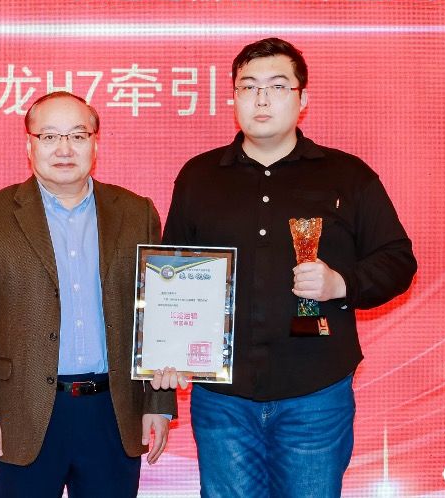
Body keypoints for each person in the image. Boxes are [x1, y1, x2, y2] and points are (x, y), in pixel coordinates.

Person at [154, 37, 417, 497]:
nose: (261, 99)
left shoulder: (347, 176)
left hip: (315, 391)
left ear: (302, 98)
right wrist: (170, 351)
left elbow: (398, 260)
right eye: (248, 87)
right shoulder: (199, 177)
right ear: (234, 97)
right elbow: (173, 274)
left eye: (277, 86)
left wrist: (341, 283)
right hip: (223, 398)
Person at [0, 91, 177, 497]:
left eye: (77, 135)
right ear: (30, 145)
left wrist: (158, 404)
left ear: (95, 144)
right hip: (20, 414)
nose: (64, 149)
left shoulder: (136, 213)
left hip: (112, 412)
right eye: (49, 136)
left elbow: (157, 317)